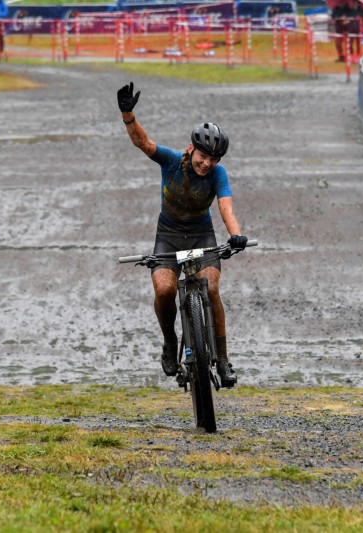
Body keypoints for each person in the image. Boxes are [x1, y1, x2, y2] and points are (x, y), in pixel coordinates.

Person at [116, 81, 246, 387]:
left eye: (213, 160)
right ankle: (170, 342)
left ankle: (224, 360)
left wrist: (237, 234)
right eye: (203, 156)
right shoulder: (172, 161)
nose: (207, 164)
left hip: (202, 236)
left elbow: (226, 207)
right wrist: (127, 114)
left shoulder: (218, 174)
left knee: (212, 289)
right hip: (169, 236)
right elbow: (143, 143)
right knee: (163, 290)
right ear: (192, 148)